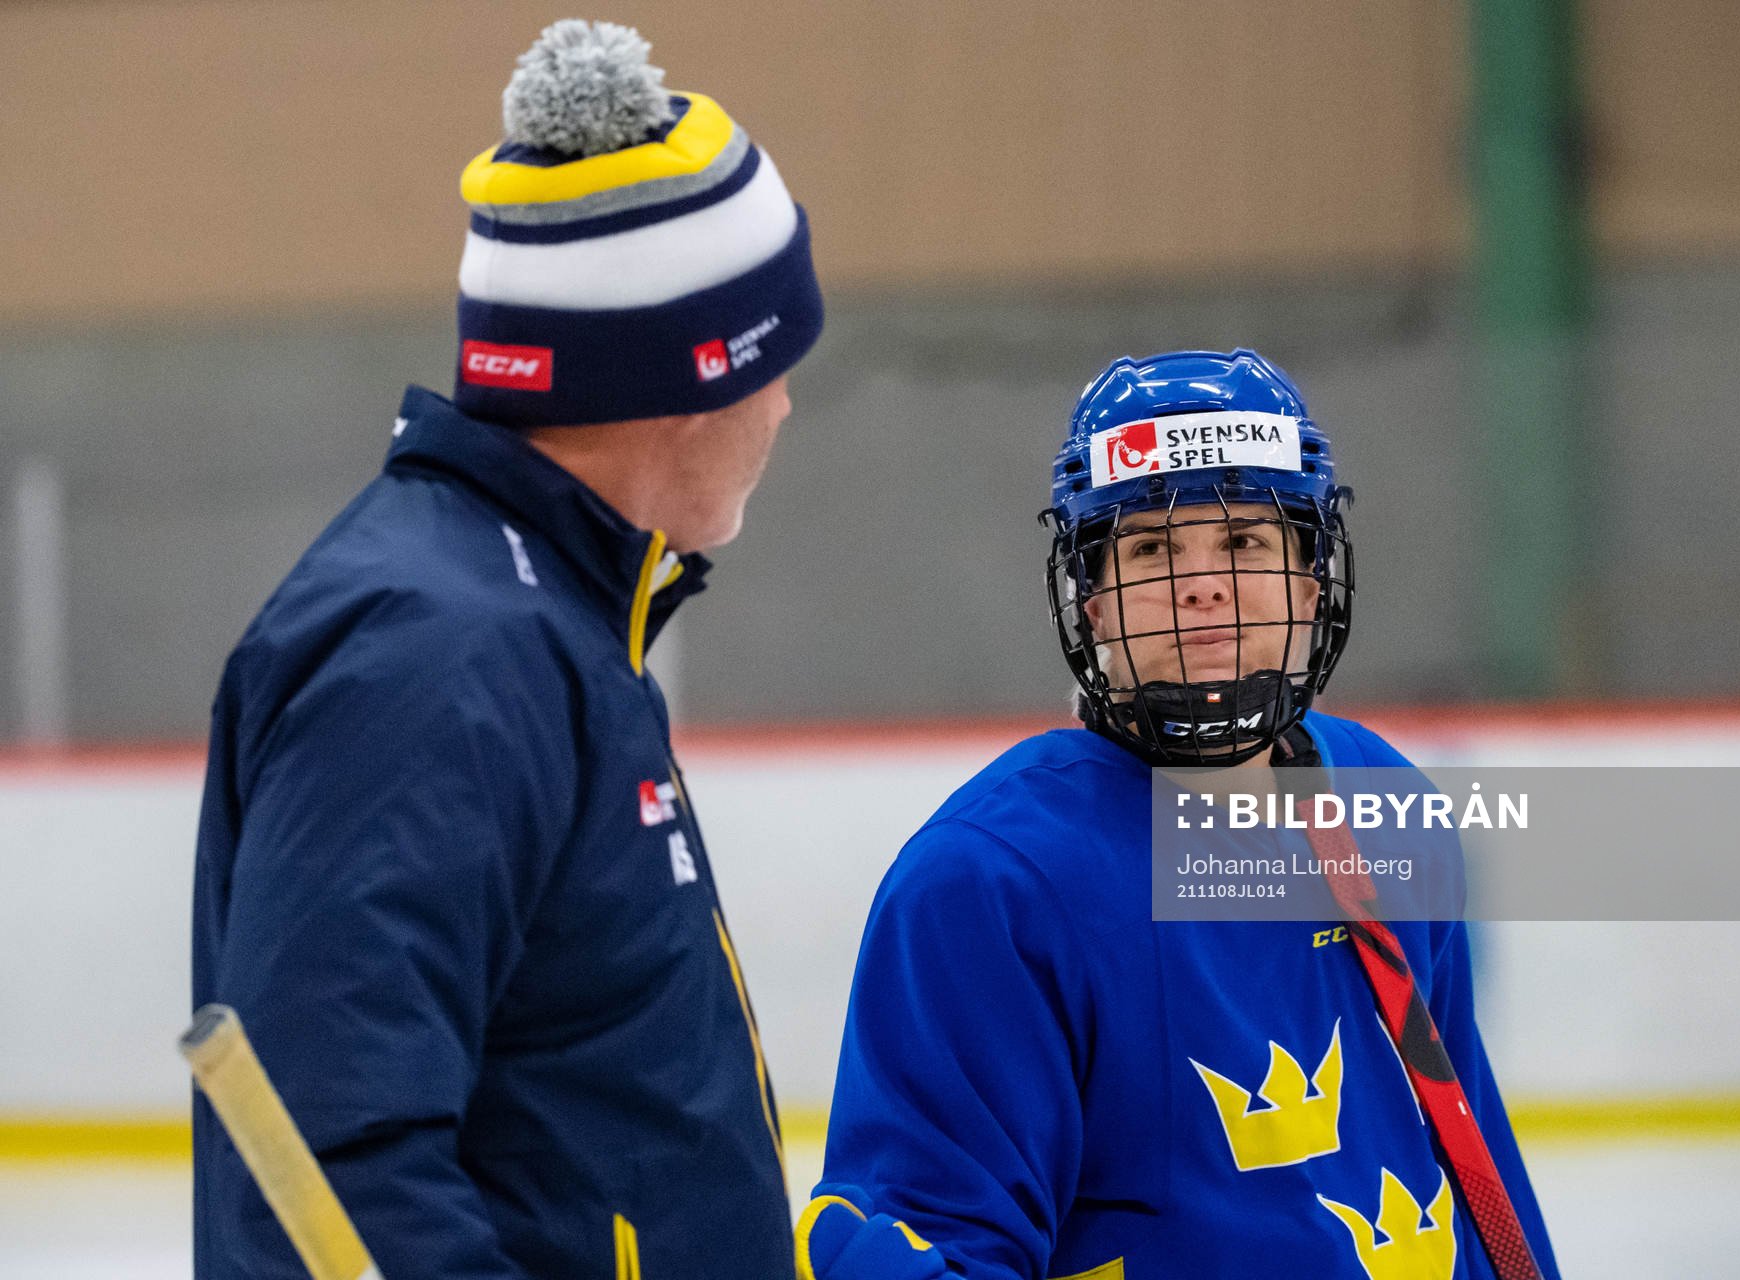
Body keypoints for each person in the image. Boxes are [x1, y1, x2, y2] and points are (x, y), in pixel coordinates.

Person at [192, 20, 822, 1278]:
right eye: (776, 361)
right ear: (690, 375)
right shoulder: (441, 652)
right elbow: (323, 1168)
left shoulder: (540, 620)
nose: (788, 404)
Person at [797, 350, 1559, 1280]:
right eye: (1153, 549)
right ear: (1094, 605)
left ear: (1312, 587)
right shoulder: (989, 882)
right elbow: (919, 1233)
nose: (1201, 585)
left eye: (1243, 543)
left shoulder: (1384, 797)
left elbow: (1465, 1145)